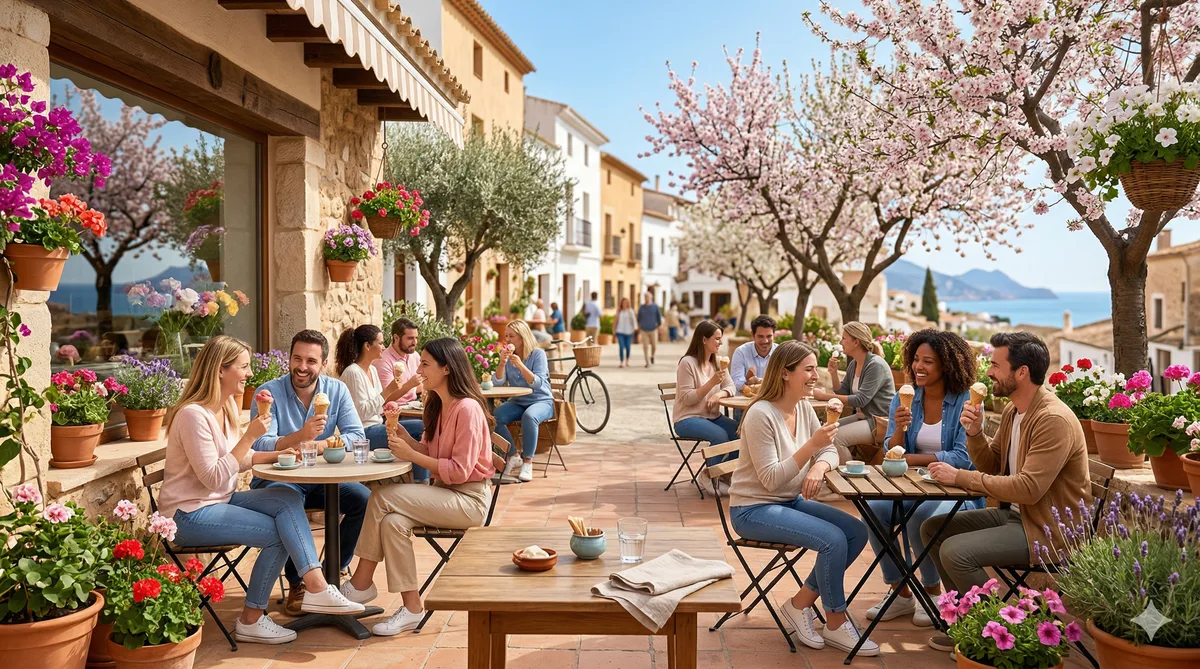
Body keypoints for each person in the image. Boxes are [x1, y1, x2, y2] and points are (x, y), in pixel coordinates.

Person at [161, 336, 364, 645]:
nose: (249, 373)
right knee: (278, 532)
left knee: (285, 498)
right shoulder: (193, 415)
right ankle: (253, 619)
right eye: (243, 367)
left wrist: (281, 453)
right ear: (220, 369)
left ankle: (315, 586)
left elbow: (242, 458)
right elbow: (213, 477)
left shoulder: (224, 408)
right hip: (189, 514)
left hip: (219, 501)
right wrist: (250, 436)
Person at [921, 332, 1091, 652]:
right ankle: (970, 625)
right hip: (1016, 516)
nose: (989, 372)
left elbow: (1028, 489)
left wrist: (961, 477)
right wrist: (975, 433)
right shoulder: (1014, 411)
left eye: (996, 366)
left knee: (956, 552)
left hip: (1047, 530)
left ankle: (995, 633)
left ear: (1021, 372)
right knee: (933, 530)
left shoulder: (1052, 419)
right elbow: (995, 466)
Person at [728, 340, 877, 656]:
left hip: (787, 502)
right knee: (833, 540)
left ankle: (799, 604)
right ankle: (835, 621)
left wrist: (819, 466)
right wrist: (812, 447)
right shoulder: (760, 414)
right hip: (752, 509)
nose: (814, 375)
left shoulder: (803, 407)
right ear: (785, 373)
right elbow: (770, 479)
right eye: (808, 369)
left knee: (855, 531)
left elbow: (829, 450)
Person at [340, 337, 496, 636]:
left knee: (381, 496)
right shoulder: (436, 404)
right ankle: (412, 608)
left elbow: (461, 470)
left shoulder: (468, 409)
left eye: (425, 364)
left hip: (469, 501)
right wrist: (406, 440)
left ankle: (361, 582)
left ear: (447, 368)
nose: (419, 370)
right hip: (444, 493)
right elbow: (431, 454)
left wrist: (411, 455)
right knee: (393, 523)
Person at [864, 329, 984, 627]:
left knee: (921, 519)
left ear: (947, 365)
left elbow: (962, 457)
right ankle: (901, 592)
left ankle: (930, 592)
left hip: (958, 490)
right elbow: (891, 450)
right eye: (916, 359)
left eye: (928, 361)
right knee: (873, 511)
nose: (918, 366)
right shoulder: (905, 398)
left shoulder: (965, 402)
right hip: (915, 487)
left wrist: (911, 459)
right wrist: (899, 429)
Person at [250, 329, 369, 616]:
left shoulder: (337, 390)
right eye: (297, 358)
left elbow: (357, 435)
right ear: (289, 358)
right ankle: (299, 583)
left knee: (363, 499)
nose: (302, 367)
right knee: (289, 502)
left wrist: (317, 446)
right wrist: (300, 437)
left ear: (323, 364)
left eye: (311, 361)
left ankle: (331, 573)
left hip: (320, 478)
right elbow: (259, 443)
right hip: (279, 478)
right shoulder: (268, 393)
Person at [336, 324, 428, 481]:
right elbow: (362, 413)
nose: (384, 347)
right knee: (419, 428)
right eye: (380, 343)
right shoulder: (353, 373)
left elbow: (380, 405)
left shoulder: (372, 370)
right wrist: (388, 391)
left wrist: (390, 407)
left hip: (378, 426)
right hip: (362, 434)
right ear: (367, 346)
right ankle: (421, 482)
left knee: (424, 426)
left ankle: (421, 479)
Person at [813, 321, 895, 464]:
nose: (841, 342)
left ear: (856, 342)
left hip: (879, 422)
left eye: (844, 338)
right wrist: (833, 373)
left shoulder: (875, 365)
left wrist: (823, 396)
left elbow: (860, 400)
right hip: (863, 417)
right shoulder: (854, 363)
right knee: (825, 431)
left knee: (835, 437)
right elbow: (842, 391)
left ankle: (849, 474)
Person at [493, 320, 555, 482]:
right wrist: (502, 363)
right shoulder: (509, 357)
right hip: (519, 401)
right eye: (506, 336)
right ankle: (514, 455)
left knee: (530, 416)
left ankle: (527, 462)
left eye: (511, 336)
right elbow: (498, 382)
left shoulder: (538, 354)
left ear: (522, 337)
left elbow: (537, 383)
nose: (508, 340)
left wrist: (521, 366)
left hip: (542, 401)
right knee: (495, 416)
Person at [673, 320, 738, 465]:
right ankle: (710, 474)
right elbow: (687, 399)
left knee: (740, 433)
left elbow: (731, 387)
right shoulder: (687, 363)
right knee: (720, 436)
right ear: (704, 340)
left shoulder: (718, 362)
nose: (721, 342)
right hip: (687, 419)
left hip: (713, 417)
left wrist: (718, 395)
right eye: (717, 338)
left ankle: (727, 472)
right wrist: (712, 383)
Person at [371, 317, 427, 442]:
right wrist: (410, 385)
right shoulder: (383, 361)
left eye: (416, 338)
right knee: (424, 427)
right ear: (396, 338)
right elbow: (386, 398)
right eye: (410, 338)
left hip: (413, 408)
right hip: (394, 415)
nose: (414, 342)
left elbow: (422, 385)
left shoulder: (414, 356)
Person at [731, 315, 777, 393]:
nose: (765, 341)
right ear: (752, 334)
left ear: (774, 335)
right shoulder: (741, 352)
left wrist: (754, 382)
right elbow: (737, 384)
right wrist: (768, 386)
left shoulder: (780, 352)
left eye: (769, 336)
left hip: (772, 399)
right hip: (745, 400)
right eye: (760, 336)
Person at [637, 292, 663, 367]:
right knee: (645, 346)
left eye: (648, 297)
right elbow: (638, 318)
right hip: (644, 330)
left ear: (651, 298)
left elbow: (659, 317)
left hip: (653, 329)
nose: (647, 298)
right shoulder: (641, 307)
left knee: (654, 346)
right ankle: (647, 362)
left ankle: (652, 356)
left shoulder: (655, 307)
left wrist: (659, 326)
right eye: (645, 297)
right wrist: (639, 327)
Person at [615, 297, 637, 368]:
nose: (624, 304)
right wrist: (614, 330)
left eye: (626, 303)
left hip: (629, 332)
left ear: (628, 304)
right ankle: (621, 362)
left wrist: (634, 328)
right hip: (620, 331)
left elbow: (634, 320)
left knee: (628, 347)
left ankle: (627, 360)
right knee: (621, 347)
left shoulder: (630, 311)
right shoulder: (619, 311)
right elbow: (616, 321)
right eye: (623, 303)